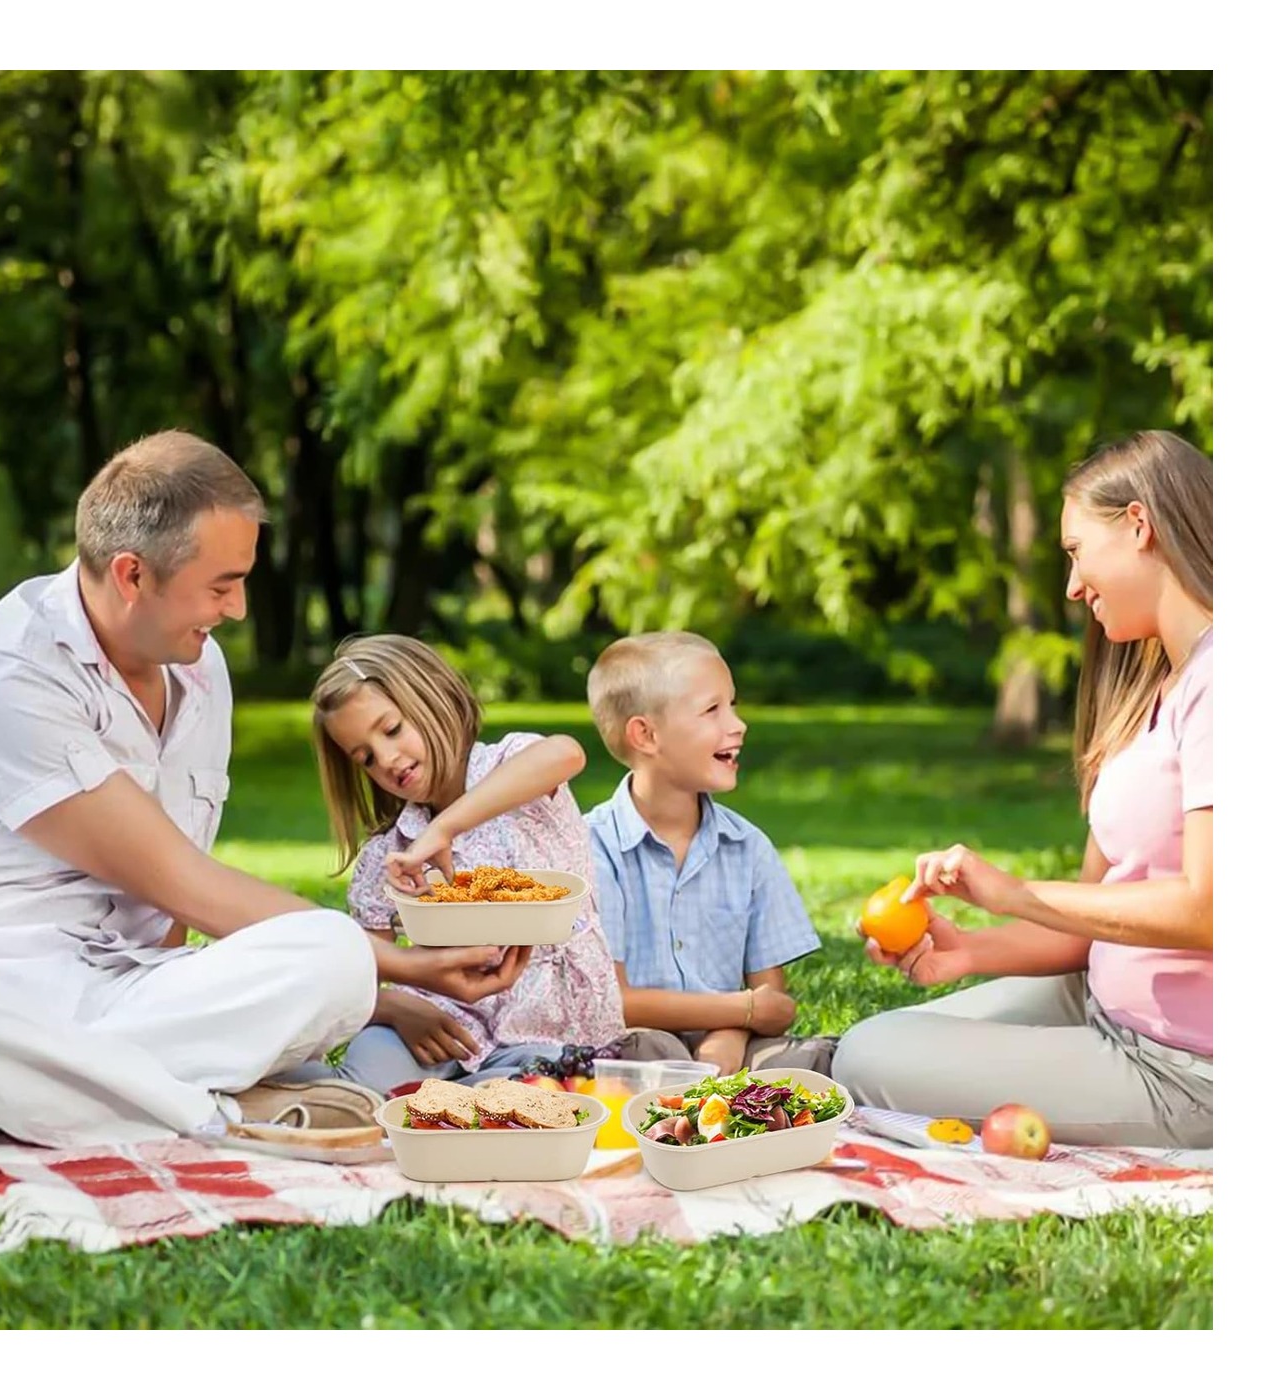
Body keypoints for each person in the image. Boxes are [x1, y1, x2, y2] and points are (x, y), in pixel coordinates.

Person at [0, 431, 527, 1150]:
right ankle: (210, 1108)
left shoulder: (198, 670)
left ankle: (91, 1094)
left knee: (328, 955)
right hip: (3, 998)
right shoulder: (1, 675)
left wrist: (363, 979)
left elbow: (167, 914)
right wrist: (410, 965)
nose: (239, 609)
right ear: (132, 576)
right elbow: (184, 882)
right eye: (222, 585)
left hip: (135, 996)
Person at [832, 430, 1213, 1148]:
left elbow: (1210, 911)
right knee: (877, 1038)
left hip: (1185, 1067)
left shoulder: (1225, 683)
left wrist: (1014, 892)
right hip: (1098, 1001)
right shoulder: (1158, 686)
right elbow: (1096, 915)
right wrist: (969, 950)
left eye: (1075, 551)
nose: (1072, 587)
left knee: (866, 1056)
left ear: (1139, 525)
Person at [302, 634, 625, 1095]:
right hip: (436, 1027)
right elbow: (364, 970)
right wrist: (394, 1009)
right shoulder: (389, 852)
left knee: (542, 1091)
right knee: (359, 1090)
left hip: (550, 1030)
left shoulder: (515, 770)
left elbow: (566, 753)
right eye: (366, 758)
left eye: (392, 729)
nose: (388, 760)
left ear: (433, 695)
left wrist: (443, 829)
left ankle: (468, 1097)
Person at [583, 631, 837, 1077]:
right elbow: (612, 1003)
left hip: (732, 1045)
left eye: (733, 705)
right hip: (637, 1041)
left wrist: (728, 1038)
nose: (738, 724)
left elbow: (772, 1004)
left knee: (821, 1060)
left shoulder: (748, 847)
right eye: (712, 710)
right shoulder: (592, 847)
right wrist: (741, 1013)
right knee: (646, 1055)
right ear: (646, 734)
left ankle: (714, 1099)